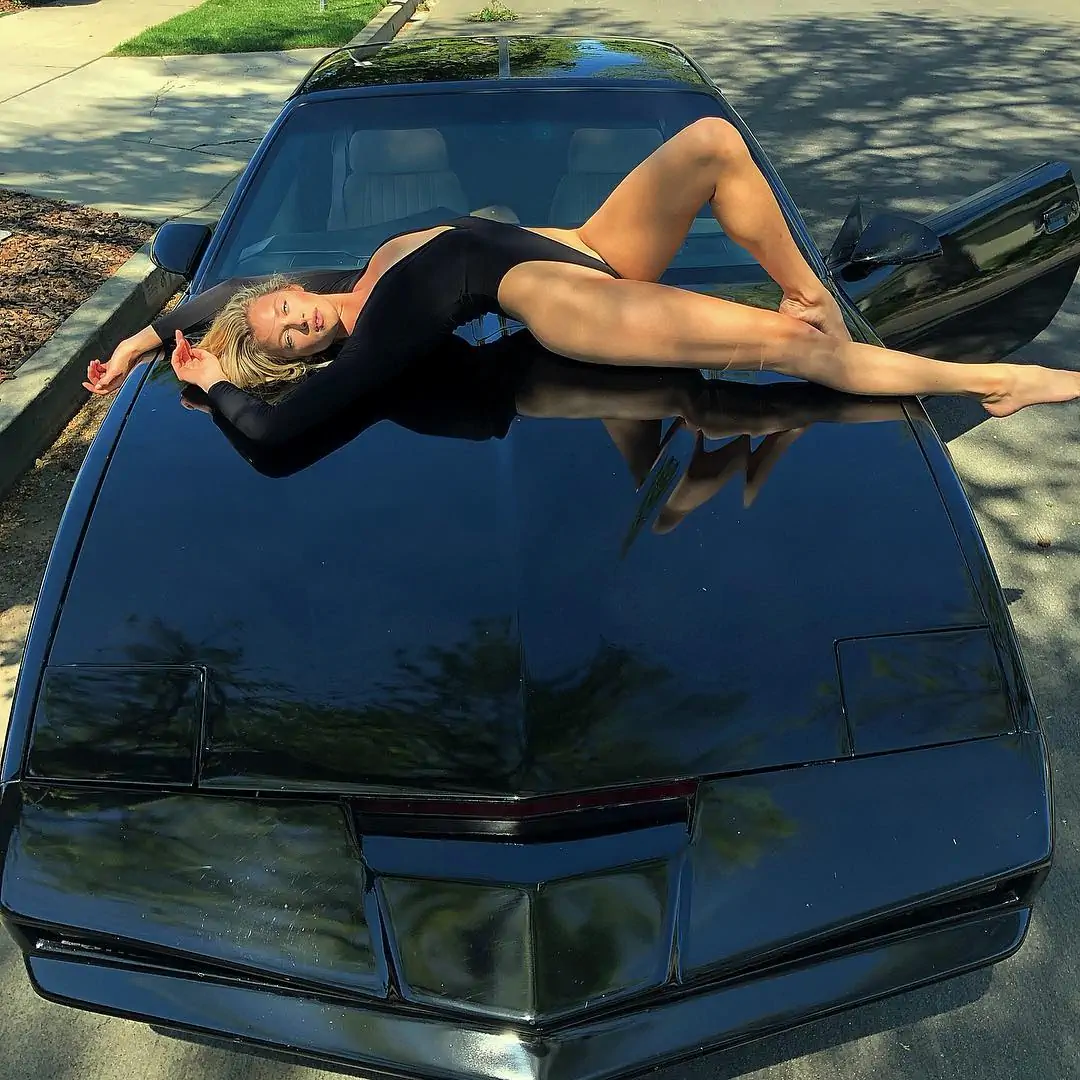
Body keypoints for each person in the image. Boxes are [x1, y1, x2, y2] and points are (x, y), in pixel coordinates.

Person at [86, 118, 1080, 446]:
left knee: (711, 141)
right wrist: (216, 383)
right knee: (790, 351)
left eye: (281, 307)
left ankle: (807, 286)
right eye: (293, 336)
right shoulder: (373, 345)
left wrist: (142, 341)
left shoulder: (337, 278)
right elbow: (274, 436)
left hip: (588, 246)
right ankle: (997, 381)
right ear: (309, 358)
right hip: (567, 303)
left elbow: (220, 297)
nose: (298, 313)